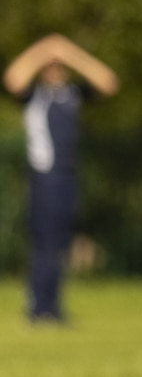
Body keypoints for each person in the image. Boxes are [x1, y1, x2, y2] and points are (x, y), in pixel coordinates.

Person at [4, 34, 118, 325]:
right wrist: (43, 50)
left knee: (61, 244)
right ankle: (38, 308)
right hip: (45, 178)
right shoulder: (35, 97)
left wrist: (69, 52)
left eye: (59, 66)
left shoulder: (73, 95)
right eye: (51, 67)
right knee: (44, 244)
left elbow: (108, 82)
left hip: (68, 178)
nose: (56, 69)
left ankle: (53, 307)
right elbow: (12, 78)